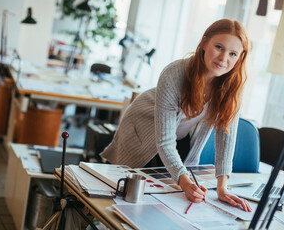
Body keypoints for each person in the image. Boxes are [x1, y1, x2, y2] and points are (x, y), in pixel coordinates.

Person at [100, 19, 252, 212]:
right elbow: (164, 141)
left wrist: (222, 188)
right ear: (204, 43)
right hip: (144, 126)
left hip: (179, 134)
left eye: (233, 53)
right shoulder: (175, 73)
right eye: (219, 47)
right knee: (130, 197)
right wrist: (185, 182)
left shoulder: (233, 86)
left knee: (168, 195)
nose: (223, 59)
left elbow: (226, 136)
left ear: (240, 57)